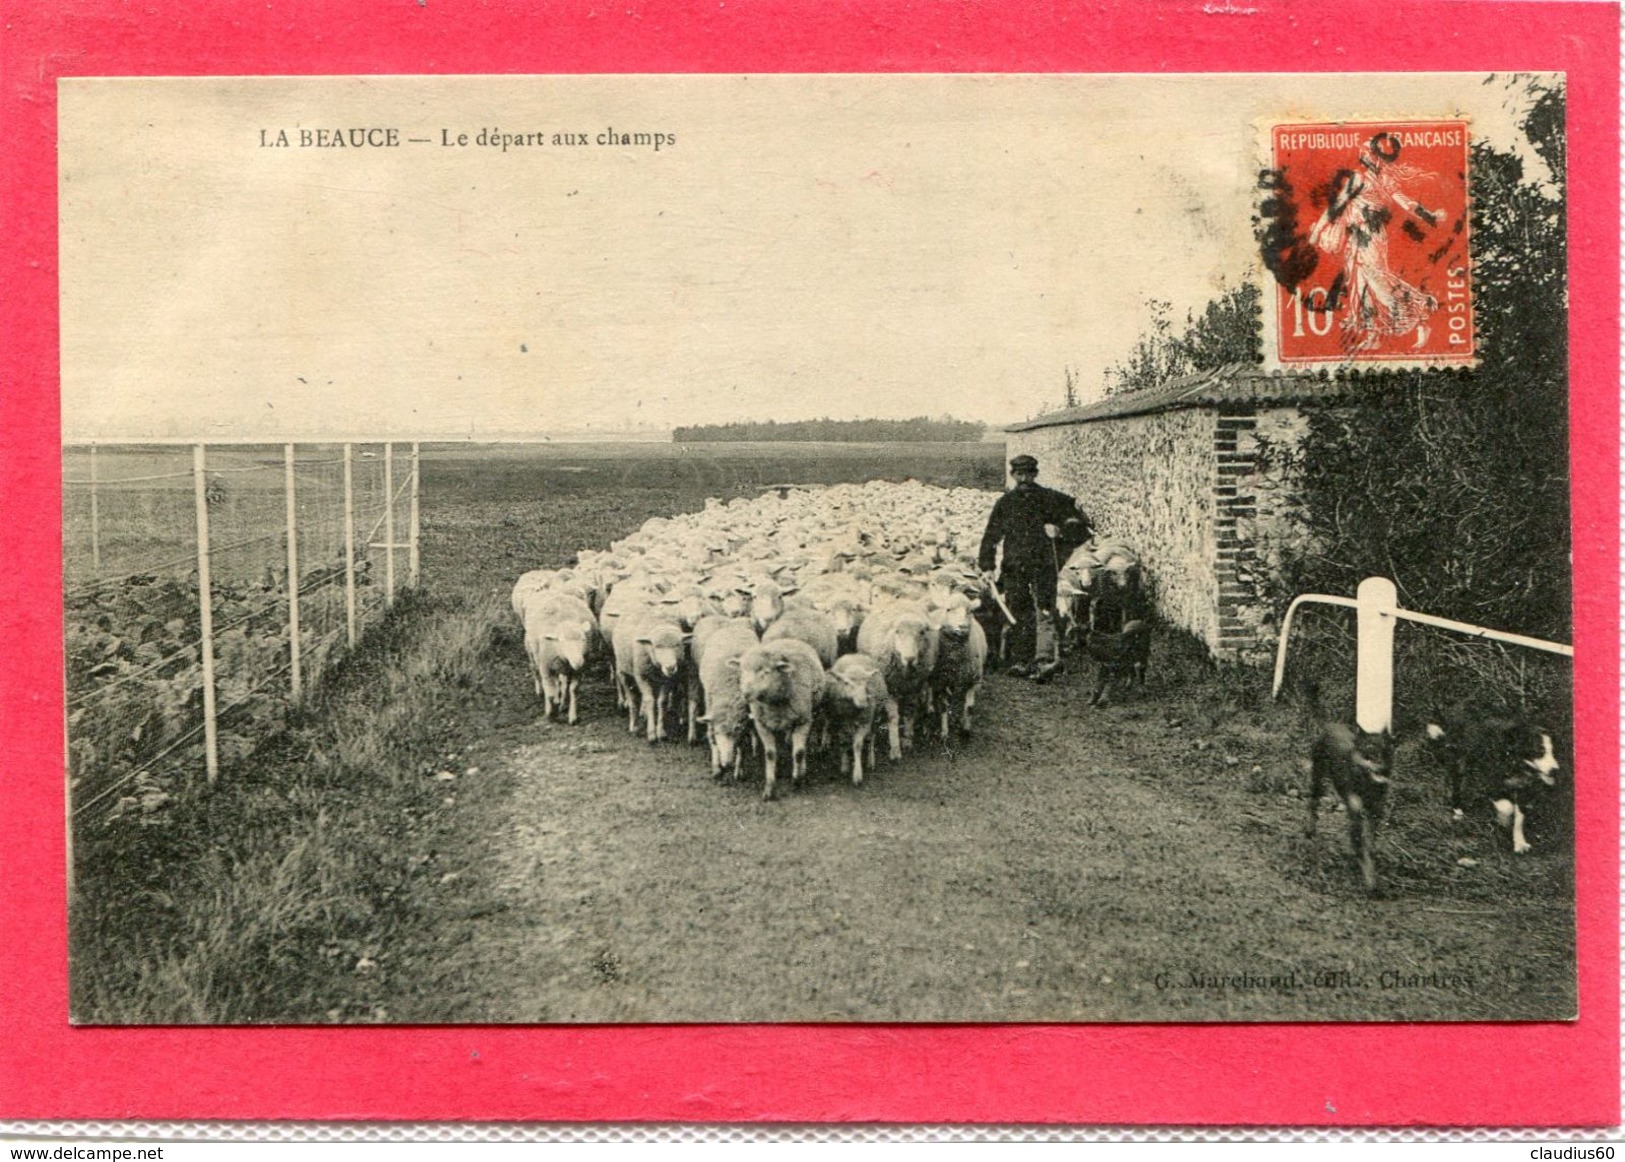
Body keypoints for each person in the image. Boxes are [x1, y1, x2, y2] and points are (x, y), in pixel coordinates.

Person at [977, 454, 1092, 679]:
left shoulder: (1052, 499)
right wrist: (987, 565)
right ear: (1013, 475)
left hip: (1044, 564)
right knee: (1019, 609)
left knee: (1045, 609)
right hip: (1014, 565)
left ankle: (1044, 659)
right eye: (1019, 474)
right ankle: (1022, 659)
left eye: (1028, 474)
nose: (1023, 479)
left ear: (1035, 474)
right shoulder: (1005, 504)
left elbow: (1081, 528)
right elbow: (991, 536)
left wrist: (1060, 531)